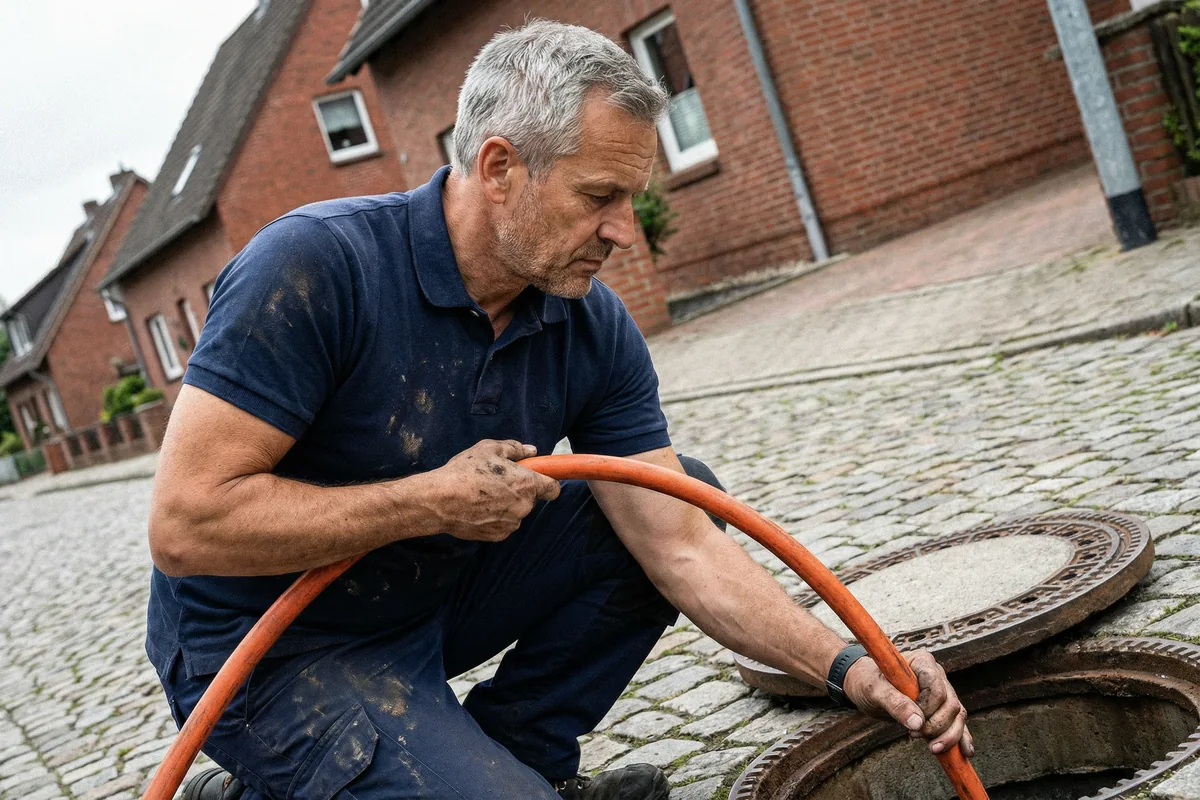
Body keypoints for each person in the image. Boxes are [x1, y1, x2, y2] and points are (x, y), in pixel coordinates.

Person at [147, 20, 972, 800]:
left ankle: (524, 759)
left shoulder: (582, 318)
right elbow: (187, 526)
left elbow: (679, 546)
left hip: (423, 602)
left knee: (684, 493)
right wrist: (425, 501)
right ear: (500, 167)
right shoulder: (316, 269)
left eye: (631, 196)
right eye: (600, 196)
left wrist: (853, 670)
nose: (624, 229)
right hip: (268, 649)